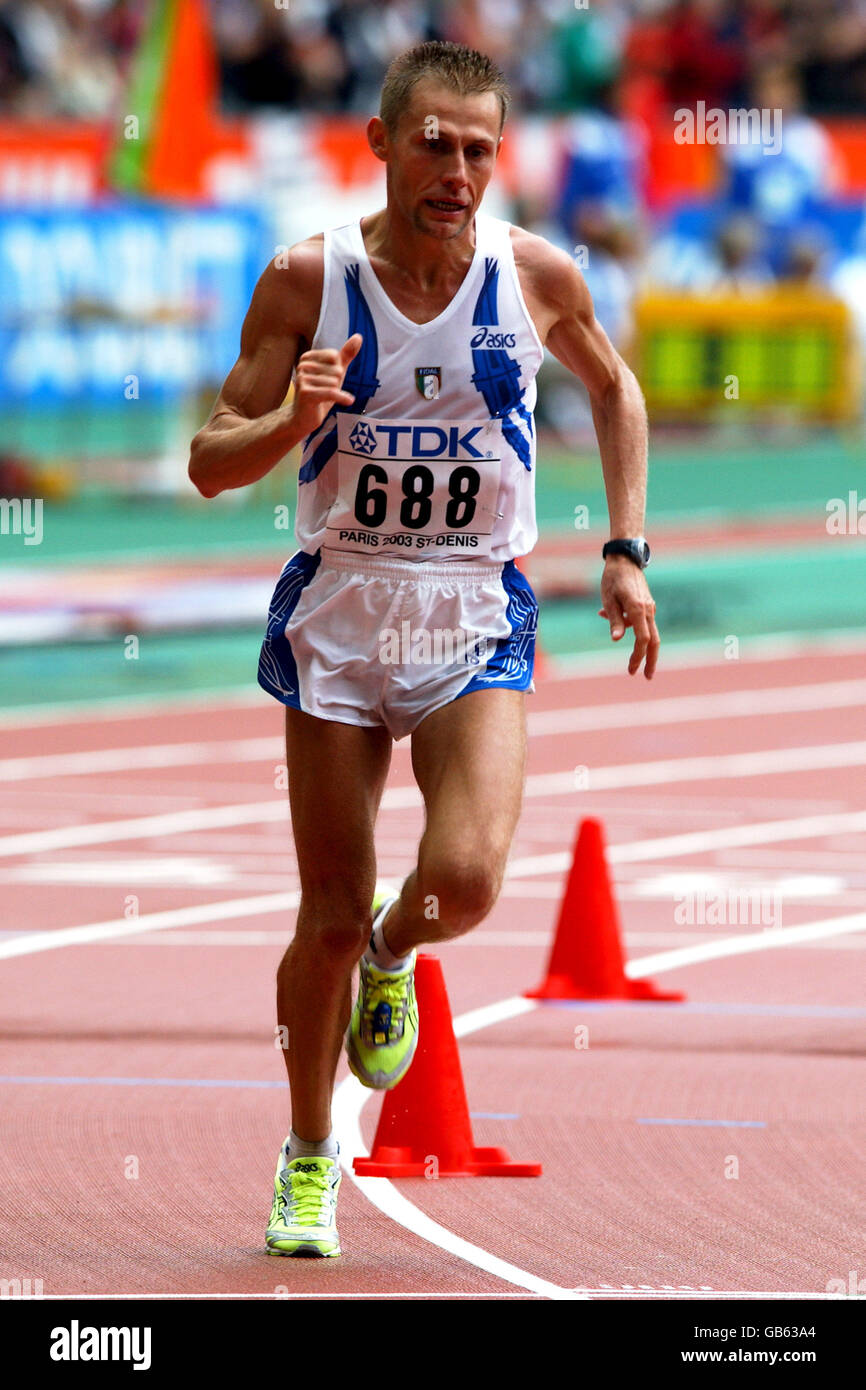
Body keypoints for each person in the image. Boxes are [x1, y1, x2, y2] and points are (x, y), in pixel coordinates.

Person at [188, 39, 659, 1259]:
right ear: (383, 147)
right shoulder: (308, 281)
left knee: (467, 877)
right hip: (340, 607)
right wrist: (295, 417)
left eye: (479, 149)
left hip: (470, 606)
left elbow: (615, 392)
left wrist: (623, 547)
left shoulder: (536, 274)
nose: (458, 170)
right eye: (434, 144)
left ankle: (400, 954)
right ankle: (306, 1158)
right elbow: (206, 461)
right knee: (327, 912)